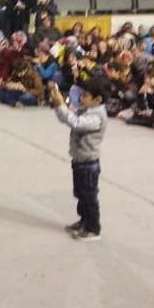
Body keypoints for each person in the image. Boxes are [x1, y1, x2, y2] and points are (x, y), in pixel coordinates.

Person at [49, 76, 110, 242]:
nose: (81, 98)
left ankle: (93, 228)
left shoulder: (97, 116)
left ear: (98, 99)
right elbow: (67, 118)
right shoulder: (86, 109)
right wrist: (58, 105)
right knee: (81, 194)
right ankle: (83, 221)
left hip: (89, 163)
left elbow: (75, 123)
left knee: (89, 197)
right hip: (79, 160)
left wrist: (61, 106)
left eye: (86, 95)